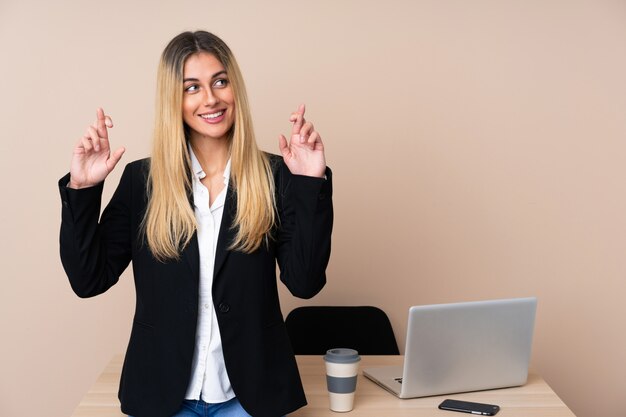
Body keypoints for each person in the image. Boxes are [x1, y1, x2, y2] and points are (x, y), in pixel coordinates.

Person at [58, 31, 333, 417]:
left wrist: (308, 184)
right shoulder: (143, 181)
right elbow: (88, 280)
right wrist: (83, 189)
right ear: (174, 99)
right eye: (192, 88)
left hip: (250, 399)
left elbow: (304, 283)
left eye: (220, 81)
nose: (211, 98)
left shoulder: (276, 176)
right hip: (161, 397)